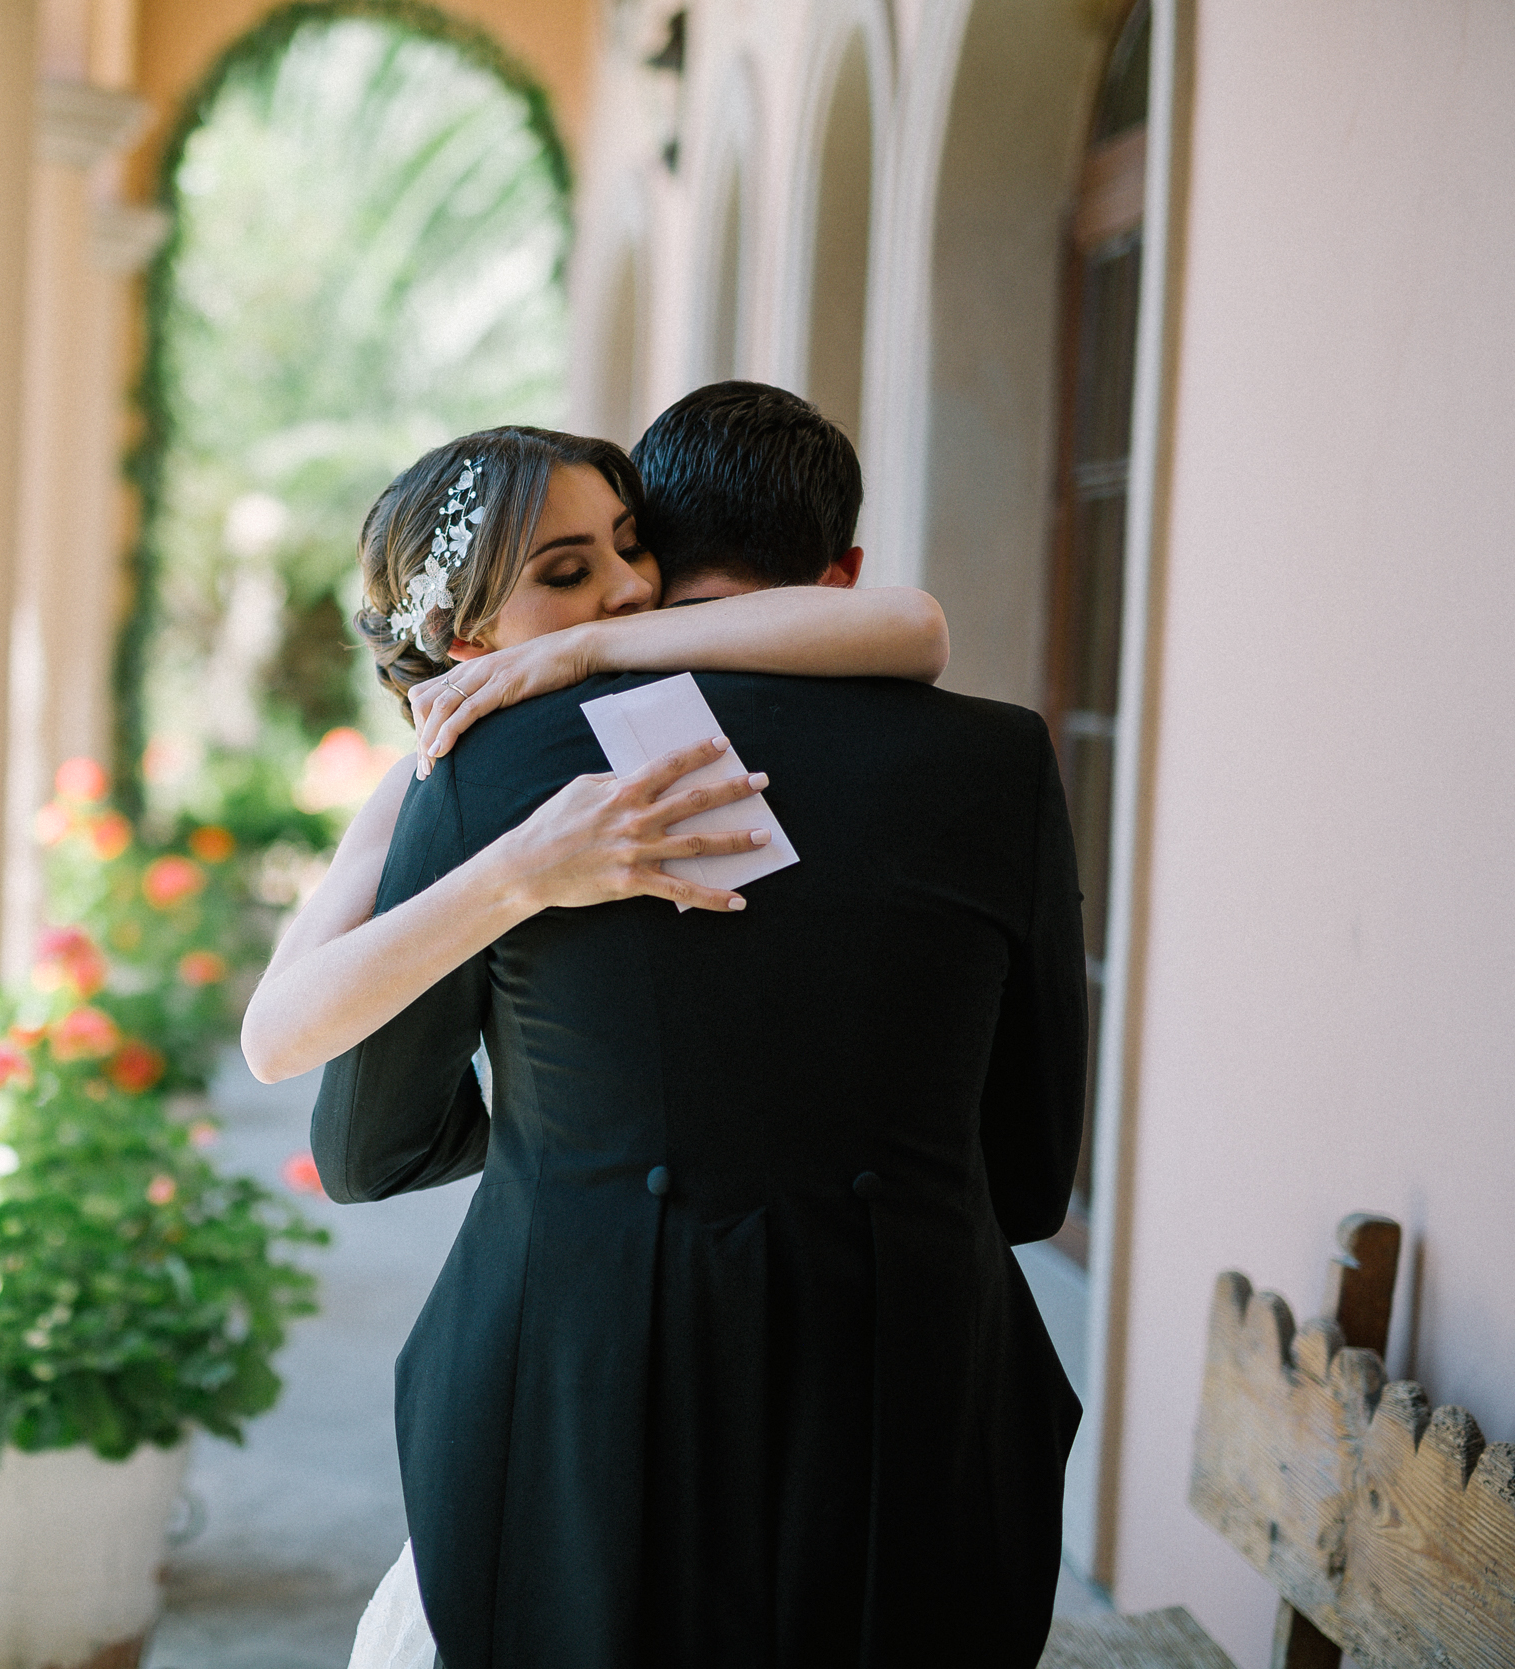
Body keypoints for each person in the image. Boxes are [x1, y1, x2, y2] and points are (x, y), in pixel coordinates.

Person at [270, 387, 1087, 1667]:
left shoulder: (487, 760)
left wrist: (573, 1131)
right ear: (838, 570)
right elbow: (1030, 1177)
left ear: (655, 533)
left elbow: (371, 1145)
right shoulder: (999, 759)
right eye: (572, 567)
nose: (612, 590)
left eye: (622, 551)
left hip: (577, 1422)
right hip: (913, 1420)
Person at [241, 425, 950, 1084]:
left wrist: (582, 646)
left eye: (632, 544)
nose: (634, 587)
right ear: (463, 635)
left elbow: (917, 628)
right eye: (568, 574)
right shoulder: (431, 779)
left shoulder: (672, 648)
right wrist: (521, 873)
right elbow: (273, 1040)